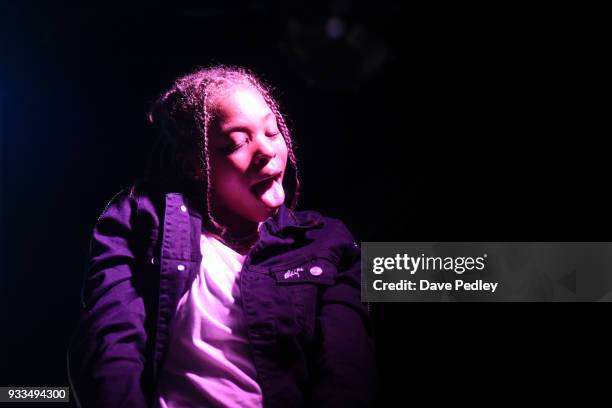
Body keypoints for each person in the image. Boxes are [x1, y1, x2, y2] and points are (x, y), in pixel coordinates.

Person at [67, 65, 377, 407]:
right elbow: (109, 348)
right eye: (236, 143)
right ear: (194, 165)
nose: (266, 151)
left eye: (272, 133)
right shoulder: (140, 219)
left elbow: (346, 371)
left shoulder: (327, 242)